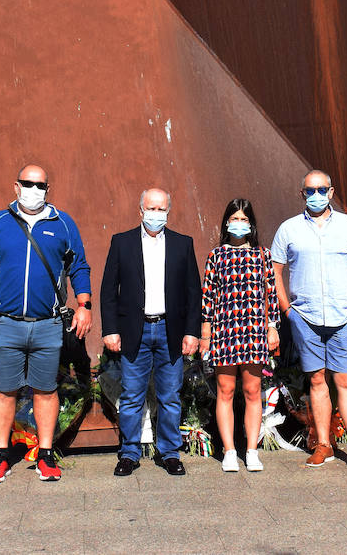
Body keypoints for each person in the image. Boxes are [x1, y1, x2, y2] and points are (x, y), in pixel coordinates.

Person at [0, 164, 92, 483]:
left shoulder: (62, 224)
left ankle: (46, 455)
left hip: (47, 324)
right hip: (7, 323)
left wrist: (84, 305)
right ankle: (1, 454)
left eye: (41, 185)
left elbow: (79, 266)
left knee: (46, 390)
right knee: (5, 390)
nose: (34, 190)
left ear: (48, 189)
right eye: (28, 183)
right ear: (16, 186)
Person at [270, 169, 347, 473]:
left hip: (344, 316)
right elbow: (275, 271)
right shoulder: (289, 229)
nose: (316, 195)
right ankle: (323, 444)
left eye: (322, 190)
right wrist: (287, 309)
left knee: (346, 381)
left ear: (331, 193)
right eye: (310, 190)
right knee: (317, 380)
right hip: (305, 317)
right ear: (301, 194)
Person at [101, 187, 203, 477]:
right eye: (151, 208)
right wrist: (111, 329)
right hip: (136, 330)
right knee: (132, 395)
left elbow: (193, 292)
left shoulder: (183, 244)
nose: (156, 214)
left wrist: (192, 332)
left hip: (170, 330)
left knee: (170, 396)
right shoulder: (122, 243)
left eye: (161, 209)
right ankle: (129, 453)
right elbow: (109, 290)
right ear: (140, 209)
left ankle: (169, 452)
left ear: (169, 212)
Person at [200, 198, 280, 472]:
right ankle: (230, 451)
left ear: (252, 224)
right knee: (225, 390)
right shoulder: (216, 256)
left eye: (244, 219)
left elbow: (271, 293)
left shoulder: (263, 255)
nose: (239, 223)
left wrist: (273, 327)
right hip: (225, 331)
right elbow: (208, 298)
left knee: (252, 390)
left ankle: (251, 450)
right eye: (234, 218)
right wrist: (206, 335)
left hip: (255, 330)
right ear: (226, 223)